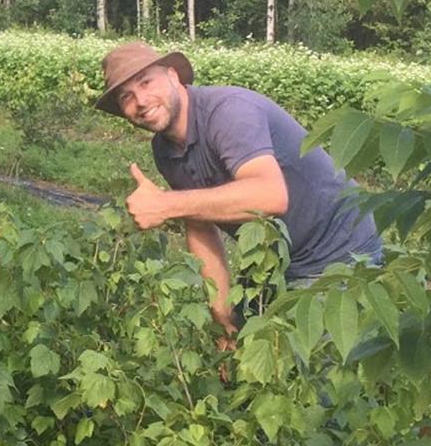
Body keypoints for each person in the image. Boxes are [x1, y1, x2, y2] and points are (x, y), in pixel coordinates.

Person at [95, 42, 383, 349]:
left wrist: (166, 204)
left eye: (146, 82)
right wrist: (222, 317)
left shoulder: (228, 112)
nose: (140, 101)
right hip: (273, 262)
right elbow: (200, 225)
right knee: (244, 352)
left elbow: (270, 196)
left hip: (339, 252)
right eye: (126, 96)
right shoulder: (164, 150)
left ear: (172, 76)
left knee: (313, 368)